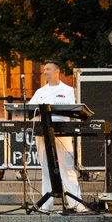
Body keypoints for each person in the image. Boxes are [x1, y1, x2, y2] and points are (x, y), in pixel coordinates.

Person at [27, 60, 88, 213]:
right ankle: (46, 205)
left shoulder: (68, 90)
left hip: (62, 132)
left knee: (66, 168)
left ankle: (75, 204)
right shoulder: (40, 92)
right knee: (46, 168)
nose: (45, 72)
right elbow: (30, 110)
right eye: (44, 69)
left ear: (57, 71)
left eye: (48, 69)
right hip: (43, 133)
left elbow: (71, 110)